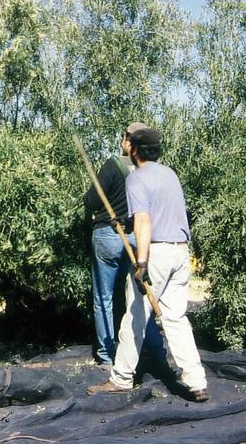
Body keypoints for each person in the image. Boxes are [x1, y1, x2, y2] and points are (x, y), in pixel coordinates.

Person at [87, 127, 209, 402]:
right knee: (176, 318)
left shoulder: (137, 178)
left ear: (134, 149)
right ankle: (197, 381)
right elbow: (162, 214)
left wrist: (141, 262)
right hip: (180, 252)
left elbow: (144, 220)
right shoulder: (170, 174)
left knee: (135, 317)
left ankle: (121, 379)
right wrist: (125, 223)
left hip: (155, 254)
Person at [83, 122, 164, 367]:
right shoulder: (150, 170)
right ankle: (155, 351)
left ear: (129, 141)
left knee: (103, 298)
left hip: (109, 234)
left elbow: (91, 201)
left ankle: (106, 356)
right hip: (136, 237)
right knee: (140, 294)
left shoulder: (113, 164)